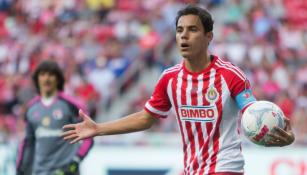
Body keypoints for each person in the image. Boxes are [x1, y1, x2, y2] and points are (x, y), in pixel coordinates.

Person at [62, 5, 295, 175]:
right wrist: (99, 128)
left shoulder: (229, 74)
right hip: (191, 170)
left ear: (208, 36)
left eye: (192, 30)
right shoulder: (170, 78)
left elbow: (252, 111)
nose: (184, 35)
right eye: (180, 30)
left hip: (225, 168)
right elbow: (146, 118)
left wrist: (277, 132)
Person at [16, 60, 94, 175]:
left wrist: (75, 162)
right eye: (43, 75)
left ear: (58, 79)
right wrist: (20, 169)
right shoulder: (31, 108)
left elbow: (89, 136)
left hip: (66, 172)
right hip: (40, 172)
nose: (46, 79)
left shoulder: (71, 105)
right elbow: (28, 143)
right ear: (37, 79)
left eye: (51, 75)